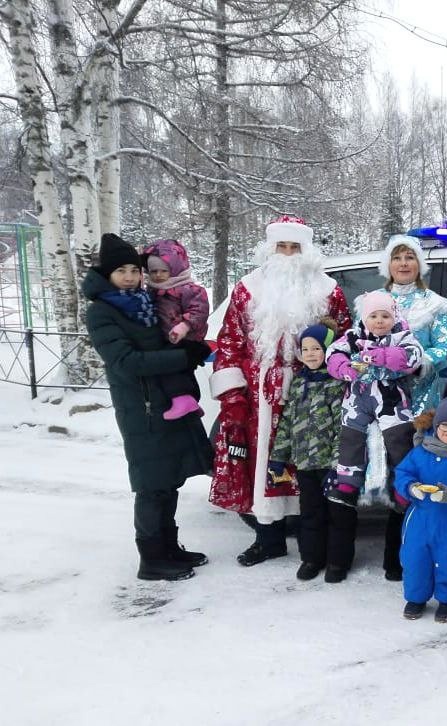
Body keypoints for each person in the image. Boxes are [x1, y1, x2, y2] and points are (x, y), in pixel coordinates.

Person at [209, 215, 350, 567]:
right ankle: (268, 538)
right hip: (260, 395)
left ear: (306, 250)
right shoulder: (248, 288)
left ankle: (312, 544)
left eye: (295, 247)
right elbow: (230, 341)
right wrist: (233, 396)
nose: (288, 254)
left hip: (314, 392)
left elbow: (345, 339)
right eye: (281, 247)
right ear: (270, 249)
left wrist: (337, 384)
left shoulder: (327, 290)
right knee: (264, 464)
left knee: (310, 463)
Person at [83, 233, 213, 581]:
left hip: (163, 403)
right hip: (141, 409)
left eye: (133, 270)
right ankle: (151, 558)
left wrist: (191, 347)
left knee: (168, 481)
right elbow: (126, 361)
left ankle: (169, 547)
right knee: (151, 485)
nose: (129, 276)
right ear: (106, 275)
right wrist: (181, 357)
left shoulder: (143, 302)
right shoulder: (101, 312)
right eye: (120, 271)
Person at [371, 234, 447, 581]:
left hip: (421, 404)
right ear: (388, 266)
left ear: (419, 265)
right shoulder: (375, 302)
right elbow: (360, 343)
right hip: (381, 402)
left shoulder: (434, 305)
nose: (404, 264)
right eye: (397, 258)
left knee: (418, 476)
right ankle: (393, 556)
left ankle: (416, 553)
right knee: (392, 475)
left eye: (410, 258)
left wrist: (418, 361)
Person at [324, 291, 423, 510]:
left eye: (385, 316)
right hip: (358, 395)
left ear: (394, 318)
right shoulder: (354, 335)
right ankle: (348, 485)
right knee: (350, 438)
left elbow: (414, 356)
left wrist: (385, 355)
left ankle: (403, 487)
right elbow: (333, 353)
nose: (379, 321)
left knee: (399, 440)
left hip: (391, 397)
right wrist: (343, 368)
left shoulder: (401, 335)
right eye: (374, 316)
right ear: (365, 318)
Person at [267, 321, 348, 582]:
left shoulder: (336, 384)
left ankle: (338, 561)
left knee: (338, 514)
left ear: (328, 350)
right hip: (305, 463)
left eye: (316, 348)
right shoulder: (299, 383)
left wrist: (337, 465)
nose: (311, 353)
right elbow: (287, 422)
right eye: (306, 349)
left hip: (331, 464)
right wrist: (278, 458)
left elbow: (343, 427)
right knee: (310, 512)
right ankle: (312, 558)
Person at [394, 381, 447, 623]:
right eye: (445, 425)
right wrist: (411, 488)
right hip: (420, 518)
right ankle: (416, 598)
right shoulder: (422, 450)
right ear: (436, 425)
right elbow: (403, 473)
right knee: (414, 558)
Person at [141, 239, 211, 420]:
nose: (158, 275)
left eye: (163, 271)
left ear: (175, 269)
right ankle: (189, 402)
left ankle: (185, 400)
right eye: (153, 271)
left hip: (188, 338)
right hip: (168, 339)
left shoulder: (188, 289)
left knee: (174, 369)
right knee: (179, 372)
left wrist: (184, 326)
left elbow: (199, 311)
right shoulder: (153, 291)